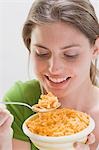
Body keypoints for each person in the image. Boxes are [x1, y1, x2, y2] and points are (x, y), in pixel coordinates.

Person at [0, 0, 99, 149]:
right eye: (42, 53)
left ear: (95, 49)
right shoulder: (20, 102)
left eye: (70, 54)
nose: (54, 69)